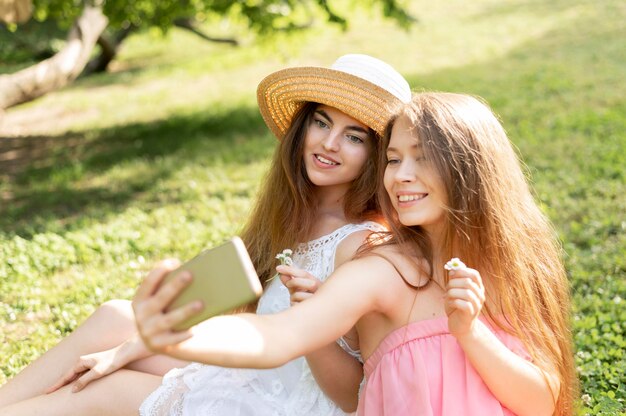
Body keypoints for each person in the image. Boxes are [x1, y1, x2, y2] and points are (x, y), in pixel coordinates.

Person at [0, 54, 412, 415]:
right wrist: (122, 351)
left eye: (354, 137)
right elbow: (223, 304)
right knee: (115, 318)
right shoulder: (295, 213)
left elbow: (352, 398)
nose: (329, 143)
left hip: (289, 403)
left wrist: (313, 320)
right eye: (322, 122)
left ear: (377, 157)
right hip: (256, 372)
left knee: (105, 390)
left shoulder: (362, 245)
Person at [130, 92, 578, 416]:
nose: (400, 176)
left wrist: (470, 333)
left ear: (470, 168)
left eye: (421, 158)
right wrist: (182, 337)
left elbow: (540, 402)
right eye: (393, 159)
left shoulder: (517, 268)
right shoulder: (385, 268)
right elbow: (280, 335)